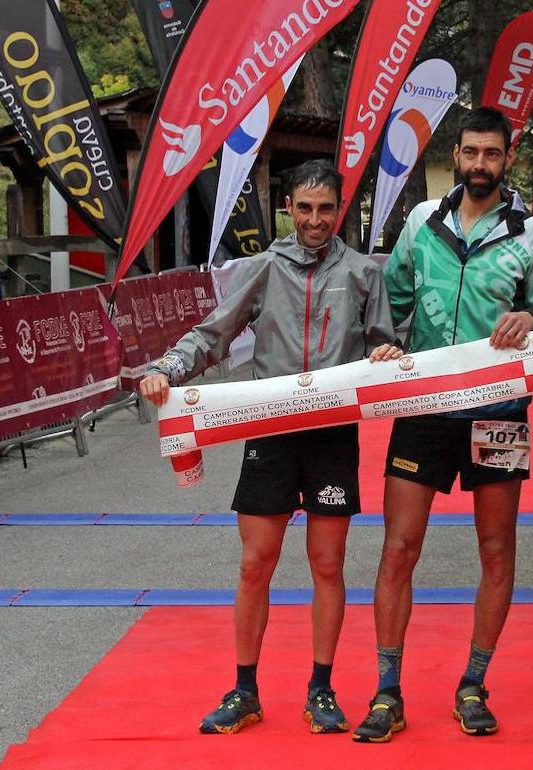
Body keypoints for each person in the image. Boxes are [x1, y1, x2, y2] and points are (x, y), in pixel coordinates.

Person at [140, 160, 395, 736]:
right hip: (270, 432)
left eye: (325, 209)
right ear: (288, 208)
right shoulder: (262, 268)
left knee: (327, 565)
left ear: (339, 210)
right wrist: (166, 369)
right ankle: (244, 690)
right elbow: (211, 334)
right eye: (304, 208)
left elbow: (384, 343)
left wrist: (386, 352)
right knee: (256, 564)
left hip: (333, 434)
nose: (315, 220)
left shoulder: (362, 273)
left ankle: (321, 689)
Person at [351, 107, 533, 742]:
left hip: (499, 414)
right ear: (457, 154)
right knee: (399, 548)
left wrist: (532, 318)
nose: (479, 164)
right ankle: (387, 690)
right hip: (423, 411)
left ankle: (474, 683)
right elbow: (389, 302)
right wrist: (385, 342)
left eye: (491, 154)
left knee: (497, 550)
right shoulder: (423, 221)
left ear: (509, 157)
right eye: (470, 153)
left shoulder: (531, 234)